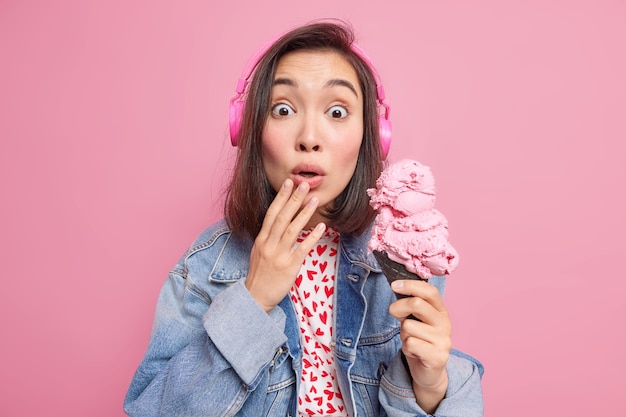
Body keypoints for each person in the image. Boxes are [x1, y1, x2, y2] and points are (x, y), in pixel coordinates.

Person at [124, 20, 484, 417]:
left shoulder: (397, 260)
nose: (309, 136)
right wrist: (252, 301)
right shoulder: (207, 266)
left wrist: (431, 388)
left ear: (372, 135)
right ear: (248, 130)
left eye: (336, 111)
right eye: (283, 109)